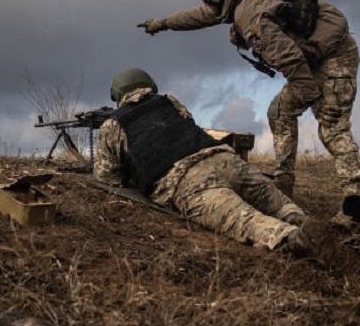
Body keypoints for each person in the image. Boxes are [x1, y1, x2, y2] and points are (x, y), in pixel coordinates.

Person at [137, 0, 360, 205]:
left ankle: (356, 201)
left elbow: (288, 57)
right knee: (279, 112)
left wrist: (311, 95)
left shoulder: (249, 15)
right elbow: (202, 15)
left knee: (331, 127)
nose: (210, 7)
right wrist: (163, 23)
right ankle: (283, 183)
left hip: (335, 57)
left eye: (210, 1)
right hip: (313, 58)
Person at [93, 67, 315, 254]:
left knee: (251, 223)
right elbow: (187, 123)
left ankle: (291, 238)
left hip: (190, 183)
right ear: (150, 85)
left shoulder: (112, 126)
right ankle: (313, 229)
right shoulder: (169, 101)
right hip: (225, 159)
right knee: (285, 208)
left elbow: (108, 177)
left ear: (117, 94)